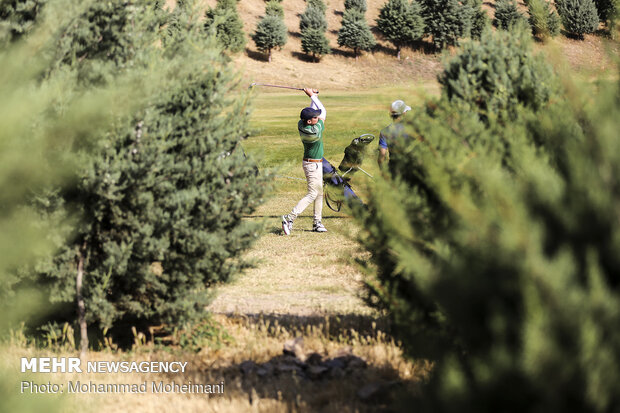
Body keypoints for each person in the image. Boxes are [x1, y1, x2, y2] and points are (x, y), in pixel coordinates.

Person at [281, 88, 327, 235]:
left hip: (315, 163)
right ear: (310, 121)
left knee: (319, 193)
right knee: (313, 193)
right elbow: (323, 111)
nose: (317, 118)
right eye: (315, 118)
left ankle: (317, 222)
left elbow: (312, 112)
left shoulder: (302, 124)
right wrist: (312, 96)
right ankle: (289, 218)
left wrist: (313, 99)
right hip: (312, 164)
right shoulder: (315, 131)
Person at [378, 99, 411, 169]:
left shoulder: (384, 131)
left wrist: (383, 172)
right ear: (404, 113)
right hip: (410, 168)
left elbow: (381, 156)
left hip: (394, 168)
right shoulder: (412, 129)